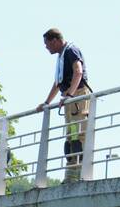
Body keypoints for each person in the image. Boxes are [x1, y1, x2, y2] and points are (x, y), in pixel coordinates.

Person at [36, 28, 91, 181]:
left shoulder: (71, 50)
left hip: (77, 97)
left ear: (55, 40)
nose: (46, 48)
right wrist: (47, 102)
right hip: (69, 99)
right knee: (71, 136)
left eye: (47, 44)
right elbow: (57, 83)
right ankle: (72, 173)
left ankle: (80, 173)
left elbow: (78, 72)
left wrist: (70, 95)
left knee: (79, 135)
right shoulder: (61, 55)